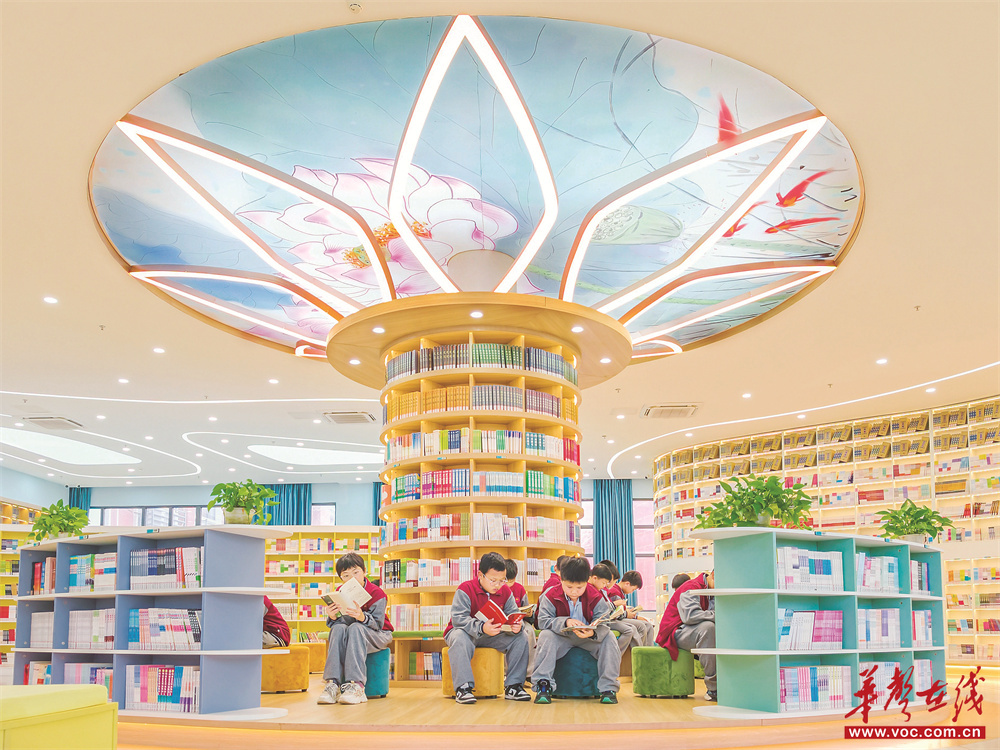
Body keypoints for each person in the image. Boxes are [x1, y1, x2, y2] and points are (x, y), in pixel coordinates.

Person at [443, 552, 531, 704]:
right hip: (465, 633)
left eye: (502, 580)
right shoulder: (465, 589)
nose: (498, 585)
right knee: (459, 637)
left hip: (492, 635)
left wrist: (517, 625)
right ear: (480, 575)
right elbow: (458, 619)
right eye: (493, 580)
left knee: (521, 637)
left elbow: (513, 612)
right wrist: (482, 627)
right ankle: (463, 688)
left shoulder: (505, 591)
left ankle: (514, 686)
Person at [532, 556, 620, 704]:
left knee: (609, 637)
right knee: (546, 636)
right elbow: (543, 621)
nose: (574, 592)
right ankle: (543, 685)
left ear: (587, 582)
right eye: (569, 587)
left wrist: (593, 632)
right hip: (561, 637)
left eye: (579, 588)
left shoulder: (595, 595)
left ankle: (608, 688)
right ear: (561, 580)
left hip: (588, 638)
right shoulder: (550, 595)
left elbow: (604, 621)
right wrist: (565, 621)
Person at [317, 552, 393, 706]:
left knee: (356, 628)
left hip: (378, 634)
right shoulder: (340, 591)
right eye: (346, 575)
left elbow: (378, 624)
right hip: (354, 633)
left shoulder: (377, 593)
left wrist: (362, 617)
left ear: (364, 571)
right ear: (341, 578)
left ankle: (357, 686)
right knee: (338, 628)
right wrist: (333, 616)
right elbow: (342, 623)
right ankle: (332, 684)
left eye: (356, 572)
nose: (352, 578)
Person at [655, 570, 717, 701]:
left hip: (689, 629)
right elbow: (690, 616)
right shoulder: (691, 587)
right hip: (675, 632)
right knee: (708, 628)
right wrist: (717, 616)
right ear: (712, 576)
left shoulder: (711, 591)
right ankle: (713, 688)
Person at [588, 563, 637, 655]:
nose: (605, 585)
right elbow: (601, 607)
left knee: (636, 627)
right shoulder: (592, 590)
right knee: (630, 630)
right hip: (603, 620)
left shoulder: (600, 590)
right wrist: (615, 605)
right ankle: (616, 654)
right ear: (594, 578)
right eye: (604, 583)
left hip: (608, 618)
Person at [504, 558, 536, 678]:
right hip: (503, 622)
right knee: (503, 634)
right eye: (506, 580)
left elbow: (525, 607)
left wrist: (529, 613)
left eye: (511, 581)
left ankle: (529, 672)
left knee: (530, 632)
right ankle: (505, 672)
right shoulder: (497, 588)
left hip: (519, 621)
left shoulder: (519, 589)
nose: (509, 584)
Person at [618, 570, 656, 646]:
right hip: (618, 619)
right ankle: (639, 650)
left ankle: (648, 650)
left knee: (648, 626)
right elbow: (616, 613)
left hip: (622, 617)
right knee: (642, 626)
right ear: (627, 584)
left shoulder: (619, 592)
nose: (631, 592)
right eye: (633, 589)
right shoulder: (615, 592)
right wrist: (629, 615)